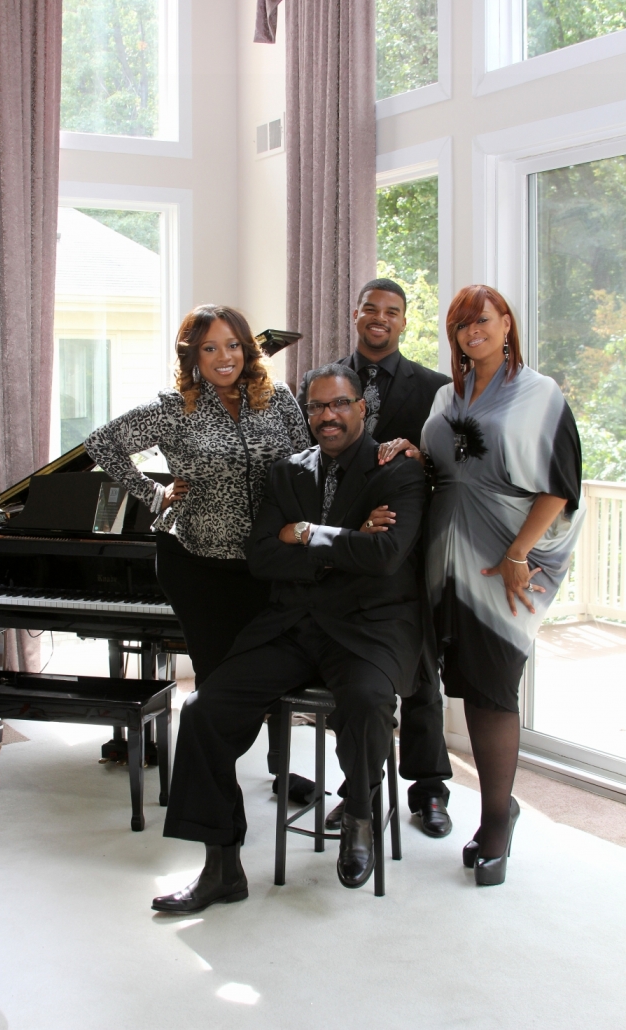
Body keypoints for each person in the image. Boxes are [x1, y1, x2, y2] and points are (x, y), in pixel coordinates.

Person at [152, 364, 427, 913]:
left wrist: (306, 534)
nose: (328, 416)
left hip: (367, 627)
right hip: (292, 625)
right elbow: (262, 557)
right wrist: (345, 545)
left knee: (369, 700)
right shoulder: (288, 472)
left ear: (361, 409)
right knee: (204, 710)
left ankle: (358, 814)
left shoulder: (396, 470)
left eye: (340, 404)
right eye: (317, 407)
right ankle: (222, 867)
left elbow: (385, 555)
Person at [395, 284, 584, 886]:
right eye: (460, 325)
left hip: (504, 559)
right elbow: (441, 466)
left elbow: (559, 484)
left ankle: (498, 819)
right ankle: (496, 809)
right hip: (442, 558)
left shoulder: (539, 394)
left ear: (507, 323)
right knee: (461, 682)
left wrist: (519, 552)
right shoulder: (448, 395)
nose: (471, 332)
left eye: (482, 321)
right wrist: (409, 452)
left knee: (493, 688)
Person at [85, 304, 311, 693]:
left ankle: (261, 752)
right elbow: (101, 443)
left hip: (267, 560)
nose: (225, 358)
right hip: (197, 564)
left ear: (246, 350)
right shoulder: (173, 408)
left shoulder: (278, 398)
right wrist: (153, 493)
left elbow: (306, 460)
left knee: (267, 674)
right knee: (217, 679)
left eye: (233, 345)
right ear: (192, 355)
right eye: (210, 348)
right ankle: (210, 751)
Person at [297, 277, 454, 839]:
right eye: (370, 309)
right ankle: (359, 790)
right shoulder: (317, 383)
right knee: (358, 679)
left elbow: (448, 465)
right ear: (356, 315)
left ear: (405, 322)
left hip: (407, 548)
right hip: (341, 548)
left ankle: (429, 788)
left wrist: (418, 453)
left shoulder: (434, 387)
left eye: (392, 311)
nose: (380, 318)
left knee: (420, 671)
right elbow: (308, 465)